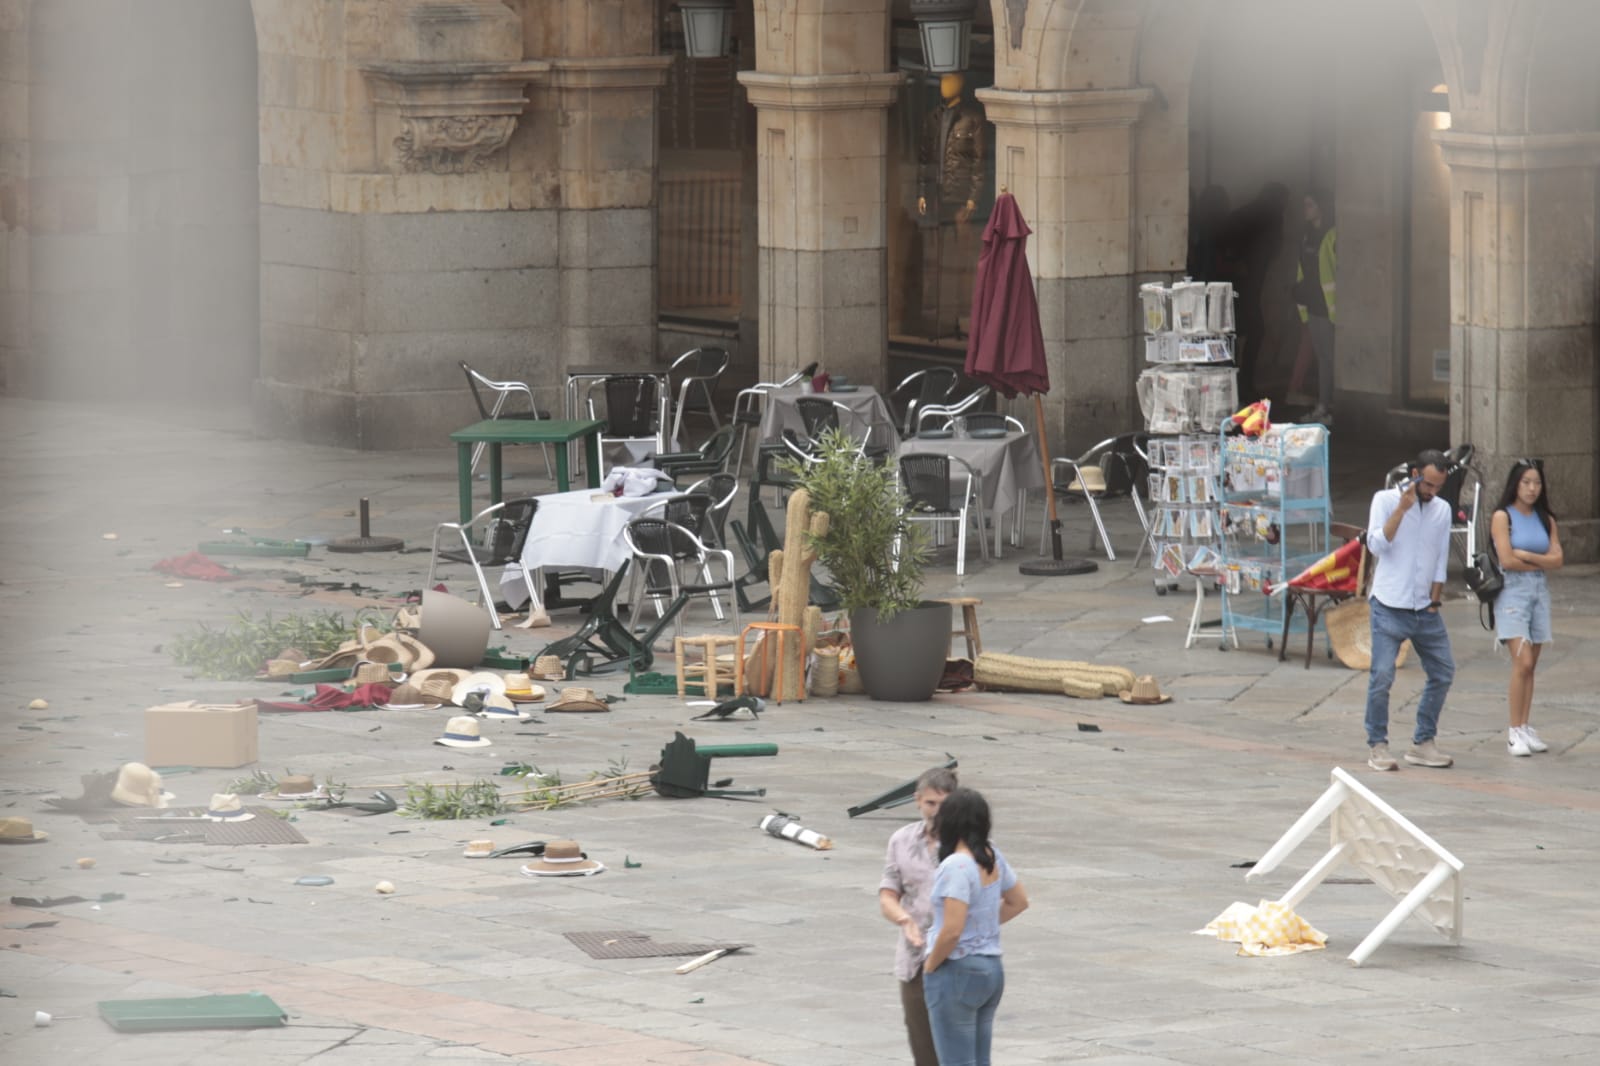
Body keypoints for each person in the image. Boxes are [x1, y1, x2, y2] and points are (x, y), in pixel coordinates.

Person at [1364, 449, 1456, 771]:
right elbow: (1376, 545)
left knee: (1443, 671)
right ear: (1415, 474)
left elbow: (1440, 556)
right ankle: (1377, 744)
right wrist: (1401, 511)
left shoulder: (1441, 510)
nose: (1432, 492)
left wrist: (1435, 598)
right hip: (1389, 603)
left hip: (1423, 606)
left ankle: (1423, 741)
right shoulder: (1385, 500)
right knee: (1383, 676)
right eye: (1428, 484)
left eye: (1438, 487)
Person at [923, 787, 1028, 1066]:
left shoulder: (956, 865)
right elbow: (1018, 902)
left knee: (956, 1060)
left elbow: (952, 930)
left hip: (957, 969)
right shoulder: (991, 855)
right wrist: (983, 927)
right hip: (991, 969)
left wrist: (931, 965)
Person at [879, 766, 958, 1066]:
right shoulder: (901, 840)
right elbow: (888, 894)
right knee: (923, 1046)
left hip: (957, 956)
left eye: (945, 805)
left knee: (957, 1046)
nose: (937, 812)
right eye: (930, 803)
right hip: (915, 958)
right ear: (917, 800)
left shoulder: (968, 844)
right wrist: (904, 920)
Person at [1489, 458, 1563, 756]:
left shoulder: (1546, 519)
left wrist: (1528, 556)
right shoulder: (1501, 516)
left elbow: (1558, 560)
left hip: (1538, 590)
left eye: (1537, 483)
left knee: (1533, 663)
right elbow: (1506, 559)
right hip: (1512, 592)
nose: (1532, 489)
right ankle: (1514, 730)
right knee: (1524, 662)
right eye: (1526, 482)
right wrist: (1537, 558)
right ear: (1515, 484)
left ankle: (1525, 725)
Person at [1293, 190, 1337, 425]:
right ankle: (1324, 405)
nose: (1306, 209)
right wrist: (1302, 305)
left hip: (1328, 307)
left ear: (1321, 206)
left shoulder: (1332, 235)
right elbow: (1302, 270)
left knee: (1327, 357)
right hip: (1314, 304)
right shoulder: (1307, 236)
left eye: (1310, 204)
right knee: (1323, 357)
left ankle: (1326, 406)